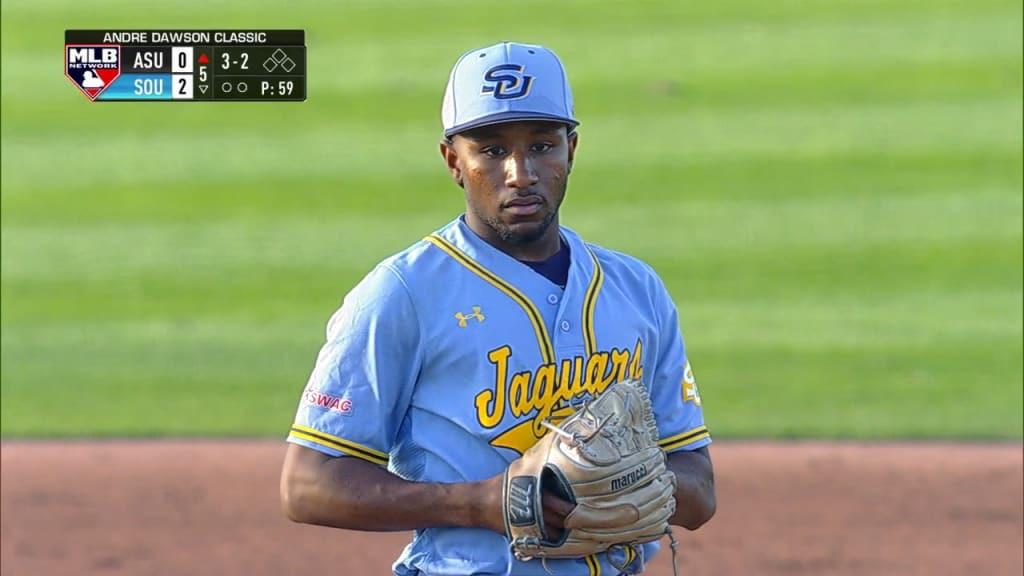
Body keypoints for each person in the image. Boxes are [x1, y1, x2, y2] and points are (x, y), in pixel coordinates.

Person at [280, 41, 716, 576]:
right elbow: (307, 485)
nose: (520, 172)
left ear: (571, 150)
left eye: (541, 146)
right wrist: (480, 503)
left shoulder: (637, 288)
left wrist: (635, 486)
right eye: (490, 150)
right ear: (453, 161)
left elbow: (699, 486)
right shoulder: (403, 292)